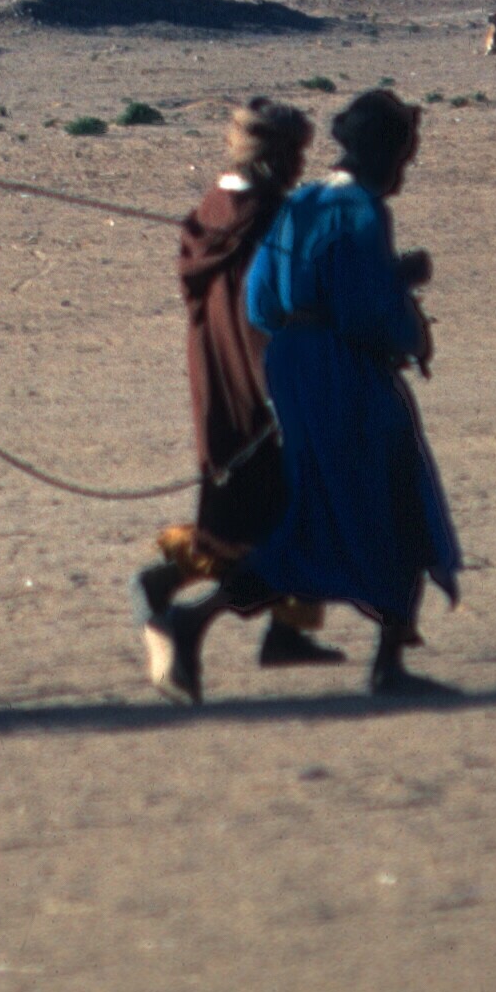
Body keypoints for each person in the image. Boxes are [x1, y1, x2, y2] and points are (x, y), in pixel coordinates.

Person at [150, 87, 463, 700]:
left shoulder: (299, 208)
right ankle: (389, 665)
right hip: (347, 376)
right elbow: (366, 311)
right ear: (383, 153)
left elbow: (265, 297)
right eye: (402, 156)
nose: (403, 170)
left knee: (314, 512)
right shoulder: (365, 214)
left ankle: (198, 619)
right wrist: (405, 304)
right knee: (403, 501)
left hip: (295, 374)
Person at [132, 99, 340, 704]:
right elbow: (277, 311)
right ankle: (190, 615)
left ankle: (284, 629)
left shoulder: (210, 214)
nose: (301, 166)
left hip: (222, 391)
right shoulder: (269, 221)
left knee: (247, 522)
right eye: (295, 155)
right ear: (274, 155)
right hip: (263, 395)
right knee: (286, 526)